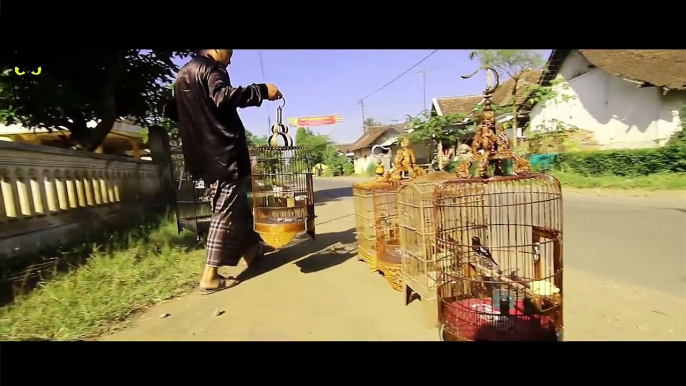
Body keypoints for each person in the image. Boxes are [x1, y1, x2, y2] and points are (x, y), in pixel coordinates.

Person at [167, 49, 282, 294]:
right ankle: (210, 275)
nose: (231, 58)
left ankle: (252, 251)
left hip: (202, 156)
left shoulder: (183, 74)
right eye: (229, 52)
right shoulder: (211, 69)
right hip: (221, 154)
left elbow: (173, 111)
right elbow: (221, 97)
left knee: (236, 205)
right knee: (224, 211)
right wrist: (261, 90)